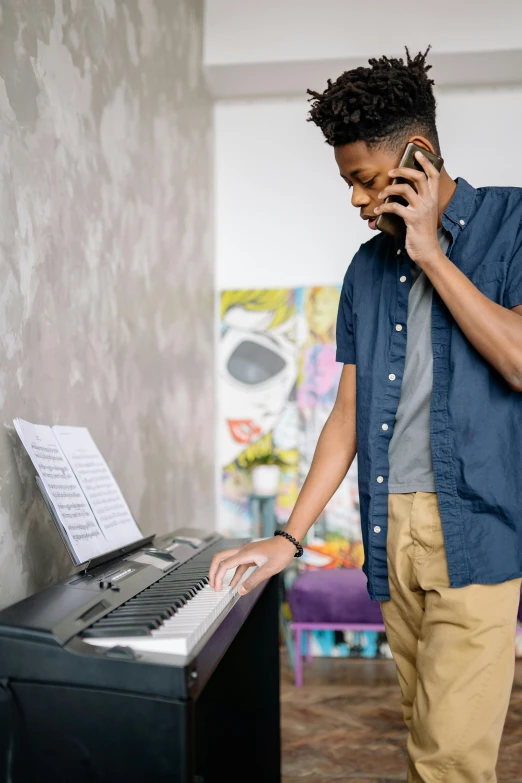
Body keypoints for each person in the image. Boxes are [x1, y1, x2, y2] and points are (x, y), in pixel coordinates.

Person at [208, 47, 522, 782]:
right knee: (423, 735)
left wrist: (435, 256)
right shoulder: (365, 269)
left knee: (446, 764)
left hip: (476, 534)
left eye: (366, 180)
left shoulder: (513, 225)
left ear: (421, 156)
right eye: (348, 182)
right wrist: (289, 535)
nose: (356, 199)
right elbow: (346, 416)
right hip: (392, 537)